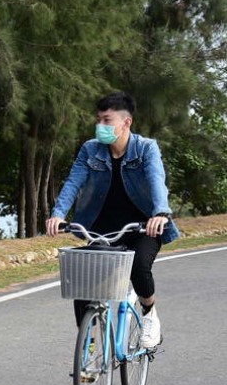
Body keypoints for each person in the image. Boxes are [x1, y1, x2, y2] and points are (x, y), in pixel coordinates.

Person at [45, 91, 179, 348]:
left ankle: (149, 313)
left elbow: (156, 180)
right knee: (83, 277)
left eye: (107, 120)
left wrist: (160, 213)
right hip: (103, 229)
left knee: (139, 266)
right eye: (98, 120)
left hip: (143, 227)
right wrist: (58, 213)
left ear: (126, 122)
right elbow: (74, 181)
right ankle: (91, 345)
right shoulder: (90, 150)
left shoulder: (145, 148)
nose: (100, 126)